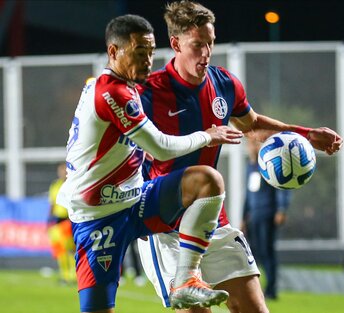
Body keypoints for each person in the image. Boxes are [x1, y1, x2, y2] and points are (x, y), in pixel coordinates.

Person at [136, 2, 343, 313]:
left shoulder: (225, 84)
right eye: (197, 45)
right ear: (176, 44)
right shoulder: (148, 93)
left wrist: (306, 134)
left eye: (210, 43)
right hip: (166, 229)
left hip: (211, 221)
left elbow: (253, 126)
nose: (206, 53)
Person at [56, 14, 244, 313]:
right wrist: (207, 137)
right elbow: (160, 146)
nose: (147, 60)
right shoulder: (112, 92)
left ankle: (186, 280)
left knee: (207, 181)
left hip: (134, 202)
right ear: (114, 52)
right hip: (98, 218)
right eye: (139, 52)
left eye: (151, 52)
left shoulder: (122, 87)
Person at [242, 138, 291, 300]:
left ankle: (271, 289)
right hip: (253, 216)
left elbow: (281, 187)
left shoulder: (269, 164)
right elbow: (248, 195)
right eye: (250, 144)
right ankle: (256, 289)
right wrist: (244, 216)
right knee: (254, 253)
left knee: (267, 252)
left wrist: (281, 209)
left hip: (267, 213)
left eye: (255, 144)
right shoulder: (250, 167)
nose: (252, 147)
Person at [47, 162, 76, 285]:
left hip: (68, 219)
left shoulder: (72, 184)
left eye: (64, 170)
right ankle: (64, 275)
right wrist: (49, 221)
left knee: (70, 249)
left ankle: (73, 275)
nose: (62, 173)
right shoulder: (55, 185)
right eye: (60, 171)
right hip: (57, 220)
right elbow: (52, 204)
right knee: (60, 250)